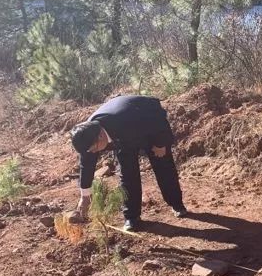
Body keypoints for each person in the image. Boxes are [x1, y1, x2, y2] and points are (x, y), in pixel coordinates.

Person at [69, 95, 187, 231]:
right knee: (127, 174)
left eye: (94, 149)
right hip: (123, 138)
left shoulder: (124, 118)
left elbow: (157, 119)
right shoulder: (86, 136)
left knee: (163, 166)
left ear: (101, 136)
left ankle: (177, 204)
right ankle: (132, 217)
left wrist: (161, 143)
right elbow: (86, 165)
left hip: (147, 125)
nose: (93, 152)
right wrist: (85, 196)